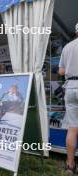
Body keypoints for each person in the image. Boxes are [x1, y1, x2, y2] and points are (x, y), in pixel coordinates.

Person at [59, 23, 78, 175]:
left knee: (72, 128)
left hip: (70, 86)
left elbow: (61, 71)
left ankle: (70, 166)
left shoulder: (67, 47)